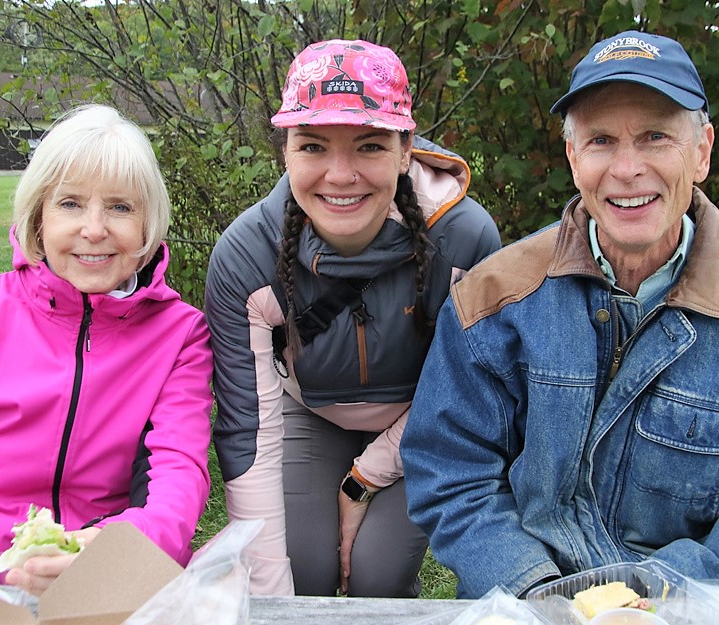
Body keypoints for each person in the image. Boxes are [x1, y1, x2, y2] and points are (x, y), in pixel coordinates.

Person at [401, 30, 719, 599]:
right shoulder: (494, 297)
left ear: (703, 152)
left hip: (691, 610)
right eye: (602, 140)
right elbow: (450, 472)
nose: (627, 168)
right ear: (573, 158)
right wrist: (540, 594)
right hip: (526, 606)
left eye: (656, 137)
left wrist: (658, 601)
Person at [204, 39, 501, 597]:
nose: (340, 176)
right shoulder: (246, 255)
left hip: (423, 426)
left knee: (378, 577)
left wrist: (366, 478)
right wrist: (276, 606)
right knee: (300, 573)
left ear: (405, 147)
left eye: (368, 146)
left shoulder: (465, 239)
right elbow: (251, 431)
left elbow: (467, 397)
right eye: (313, 146)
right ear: (286, 152)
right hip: (308, 414)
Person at [0, 104, 214, 595]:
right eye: (71, 204)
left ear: (148, 226)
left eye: (120, 207)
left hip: (114, 575)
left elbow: (177, 482)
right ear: (38, 217)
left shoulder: (180, 334)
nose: (95, 229)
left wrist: (105, 553)